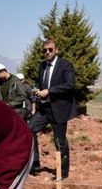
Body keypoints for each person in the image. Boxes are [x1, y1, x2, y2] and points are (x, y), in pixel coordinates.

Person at [29, 39, 76, 178]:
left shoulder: (65, 65)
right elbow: (40, 83)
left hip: (59, 109)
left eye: (50, 49)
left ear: (56, 50)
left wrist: (49, 91)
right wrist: (37, 90)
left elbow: (70, 84)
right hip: (45, 108)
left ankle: (63, 172)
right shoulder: (42, 66)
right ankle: (35, 162)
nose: (47, 52)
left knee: (60, 141)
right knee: (30, 129)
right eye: (45, 50)